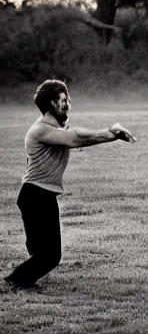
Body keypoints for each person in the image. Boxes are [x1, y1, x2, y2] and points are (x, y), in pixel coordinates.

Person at [4, 79, 136, 289]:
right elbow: (73, 139)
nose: (66, 104)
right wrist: (110, 132)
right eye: (60, 100)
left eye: (66, 99)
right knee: (48, 256)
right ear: (49, 105)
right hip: (34, 196)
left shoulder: (58, 128)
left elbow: (78, 136)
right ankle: (13, 282)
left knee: (46, 254)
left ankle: (20, 280)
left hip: (43, 196)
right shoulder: (40, 130)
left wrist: (113, 133)